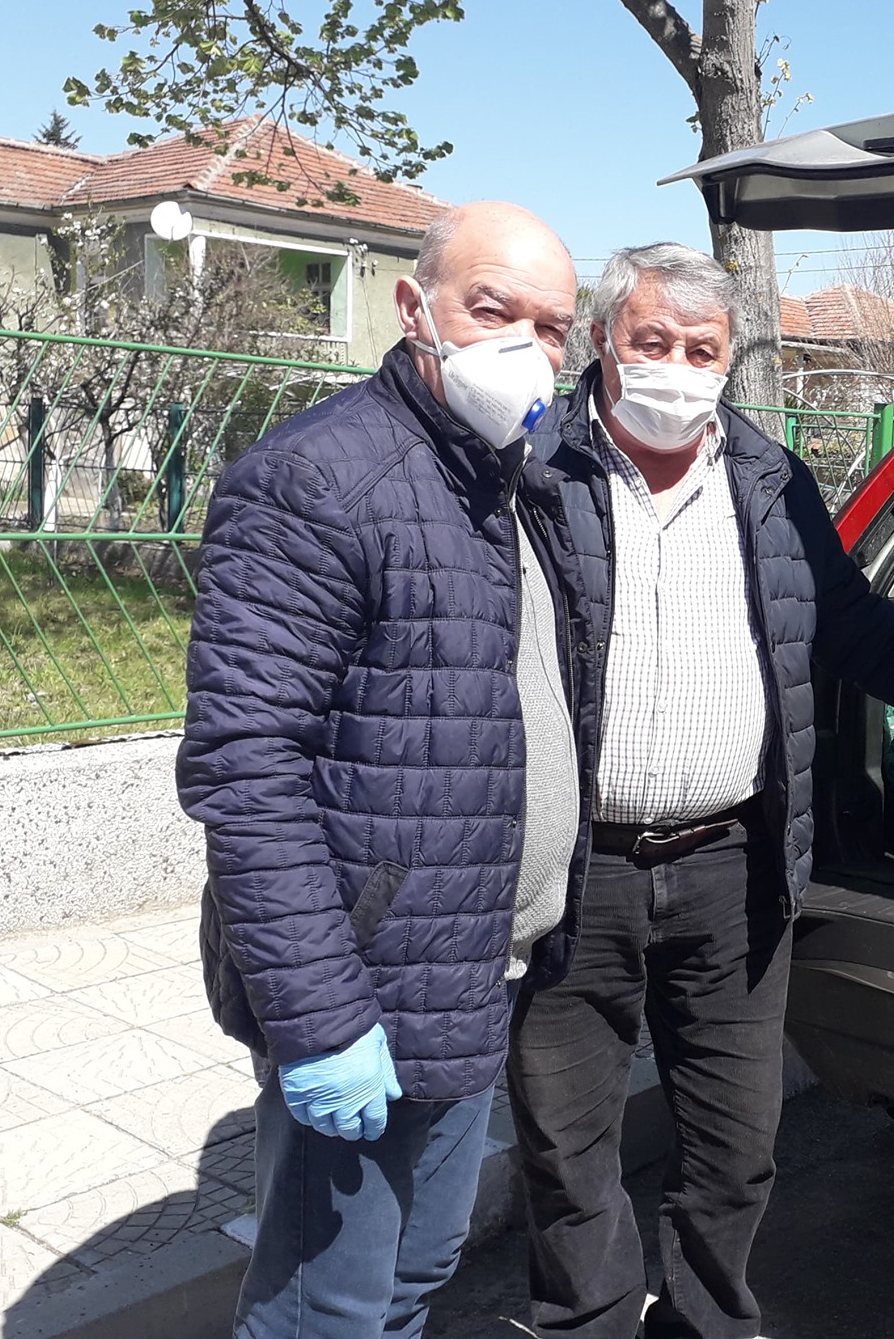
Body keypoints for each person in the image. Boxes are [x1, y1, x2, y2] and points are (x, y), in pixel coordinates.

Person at [507, 242, 894, 1339]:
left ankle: (707, 1325)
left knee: (735, 1147)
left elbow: (850, 626)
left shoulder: (769, 478)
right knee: (567, 1148)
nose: (675, 366)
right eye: (652, 341)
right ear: (603, 341)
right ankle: (587, 1325)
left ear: (730, 358)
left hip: (731, 869)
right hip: (575, 875)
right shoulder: (532, 470)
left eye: (701, 349)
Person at [177, 202, 581, 1338]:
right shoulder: (317, 478)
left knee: (416, 1270)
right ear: (415, 308)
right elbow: (246, 766)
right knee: (327, 1308)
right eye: (492, 309)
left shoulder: (504, 475)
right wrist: (316, 1018)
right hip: (368, 982)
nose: (525, 346)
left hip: (472, 968)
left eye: (552, 326)